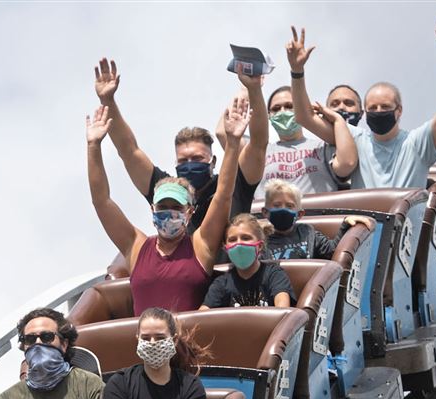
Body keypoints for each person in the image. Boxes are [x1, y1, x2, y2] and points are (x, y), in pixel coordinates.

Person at [87, 102, 250, 314]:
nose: (169, 212)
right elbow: (102, 201)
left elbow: (223, 195)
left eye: (176, 207)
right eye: (163, 206)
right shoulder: (136, 247)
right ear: (153, 209)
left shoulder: (201, 246)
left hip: (188, 343)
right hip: (145, 343)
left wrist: (233, 142)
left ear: (189, 212)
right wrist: (93, 146)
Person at [288, 18, 436, 189]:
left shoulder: (418, 143)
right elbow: (304, 117)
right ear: (365, 112)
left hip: (403, 218)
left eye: (385, 107)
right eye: (373, 108)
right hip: (363, 220)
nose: (378, 111)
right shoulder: (355, 139)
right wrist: (297, 71)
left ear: (399, 110)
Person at [93, 58, 268, 232]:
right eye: (183, 160)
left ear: (213, 161)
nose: (190, 164)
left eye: (197, 158)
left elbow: (258, 145)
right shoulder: (166, 190)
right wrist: (108, 101)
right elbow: (128, 151)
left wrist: (252, 89)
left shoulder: (234, 183)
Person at [252, 80, 357, 199]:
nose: (282, 112)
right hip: (267, 217)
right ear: (269, 115)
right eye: (276, 108)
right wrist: (249, 88)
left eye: (289, 106)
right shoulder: (260, 153)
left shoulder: (322, 147)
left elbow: (347, 164)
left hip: (317, 216)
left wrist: (337, 119)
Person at [261, 179, 372, 260]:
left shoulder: (307, 232)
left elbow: (331, 251)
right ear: (265, 212)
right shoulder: (261, 239)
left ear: (299, 214)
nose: (283, 210)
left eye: (289, 206)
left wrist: (345, 224)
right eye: (277, 205)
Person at [202, 214, 295, 309]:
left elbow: (283, 310)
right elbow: (201, 316)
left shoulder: (275, 275)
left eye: (246, 238)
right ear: (226, 248)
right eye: (232, 239)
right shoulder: (221, 283)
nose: (239, 244)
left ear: (260, 246)